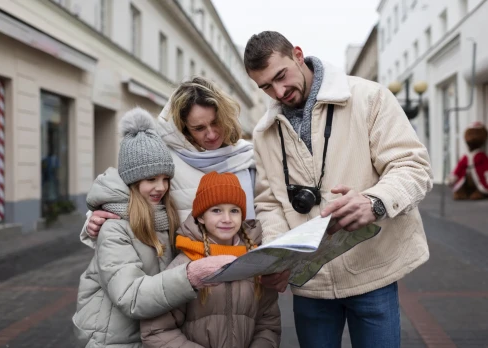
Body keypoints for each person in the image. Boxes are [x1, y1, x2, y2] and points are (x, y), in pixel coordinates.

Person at [243, 31, 433, 347]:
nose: (278, 91)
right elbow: (270, 203)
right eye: (265, 87)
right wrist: (276, 256)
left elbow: (413, 167)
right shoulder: (263, 134)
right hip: (310, 284)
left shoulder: (369, 97)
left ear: (298, 55)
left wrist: (375, 202)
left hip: (373, 271)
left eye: (281, 76)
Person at [72, 108, 236, 348]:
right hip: (113, 337)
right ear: (133, 181)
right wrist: (190, 276)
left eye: (165, 178)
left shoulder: (164, 216)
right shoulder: (114, 227)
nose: (161, 187)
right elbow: (130, 296)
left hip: (151, 334)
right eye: (151, 180)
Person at [83, 77, 255, 243]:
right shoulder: (165, 157)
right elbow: (122, 189)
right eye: (199, 128)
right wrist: (94, 218)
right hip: (186, 264)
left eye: (215, 122)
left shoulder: (247, 155)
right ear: (184, 129)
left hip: (247, 259)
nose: (211, 134)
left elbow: (267, 207)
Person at [140, 172, 281, 348]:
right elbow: (156, 331)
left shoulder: (255, 262)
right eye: (216, 210)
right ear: (200, 217)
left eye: (234, 211)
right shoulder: (185, 265)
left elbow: (268, 324)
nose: (227, 219)